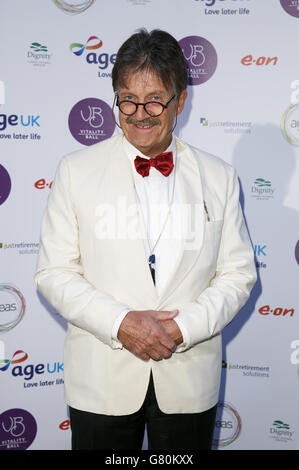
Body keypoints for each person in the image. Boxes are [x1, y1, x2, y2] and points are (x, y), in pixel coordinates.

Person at [34, 29, 256, 450]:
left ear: (181, 101)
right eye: (127, 99)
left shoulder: (219, 177)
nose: (140, 113)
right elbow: (54, 273)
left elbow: (238, 275)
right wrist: (122, 323)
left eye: (155, 98)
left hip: (188, 379)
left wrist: (181, 329)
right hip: (101, 381)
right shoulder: (75, 171)